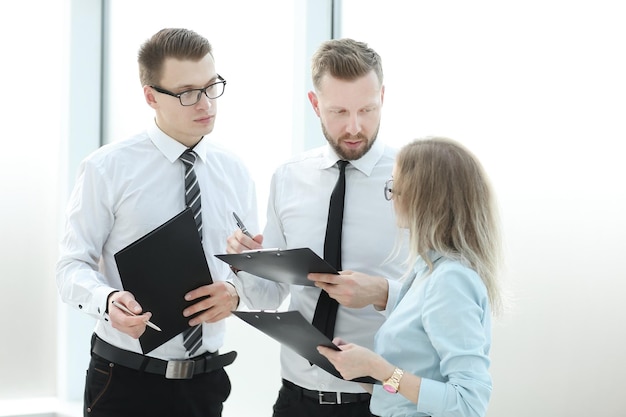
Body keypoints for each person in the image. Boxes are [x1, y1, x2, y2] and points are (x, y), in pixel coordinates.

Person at [56, 28, 258, 417]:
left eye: (211, 86)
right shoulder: (108, 168)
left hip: (206, 384)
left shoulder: (234, 170)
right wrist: (108, 301)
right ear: (151, 96)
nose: (206, 104)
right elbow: (70, 266)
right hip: (125, 381)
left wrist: (234, 292)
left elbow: (250, 269)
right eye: (187, 93)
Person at [226, 38, 408, 417]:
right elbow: (269, 296)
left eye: (367, 109)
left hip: (385, 400)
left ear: (383, 97)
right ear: (314, 104)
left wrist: (382, 291)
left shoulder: (416, 180)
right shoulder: (288, 178)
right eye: (339, 111)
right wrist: (245, 265)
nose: (354, 127)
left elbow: (450, 299)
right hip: (297, 399)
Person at [317, 137, 504, 417]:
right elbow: (408, 390)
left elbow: (467, 404)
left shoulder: (451, 280)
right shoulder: (426, 272)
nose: (391, 197)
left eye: (395, 188)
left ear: (425, 199)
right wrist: (361, 368)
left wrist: (377, 368)